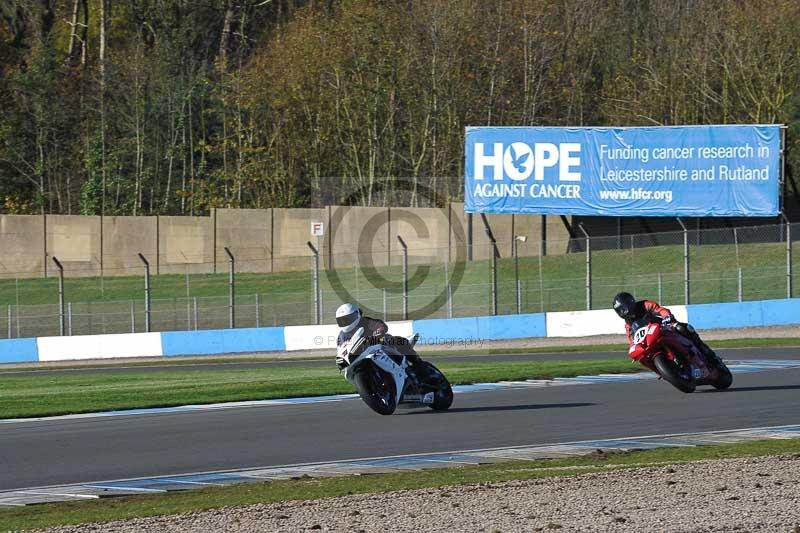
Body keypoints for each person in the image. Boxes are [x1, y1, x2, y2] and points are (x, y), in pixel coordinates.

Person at [611, 292, 720, 364]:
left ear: (630, 302)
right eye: (620, 310)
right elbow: (632, 340)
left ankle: (707, 352)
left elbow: (660, 309)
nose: (623, 312)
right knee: (643, 358)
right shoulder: (628, 324)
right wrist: (634, 349)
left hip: (664, 326)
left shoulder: (644, 305)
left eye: (624, 308)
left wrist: (666, 317)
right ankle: (668, 370)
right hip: (650, 339)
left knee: (683, 328)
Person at [334, 303, 423, 371]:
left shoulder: (366, 321)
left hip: (378, 346)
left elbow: (382, 326)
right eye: (341, 320)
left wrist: (375, 336)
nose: (345, 322)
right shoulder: (341, 335)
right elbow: (340, 349)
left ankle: (418, 363)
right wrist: (340, 359)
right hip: (361, 354)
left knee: (400, 341)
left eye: (347, 319)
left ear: (356, 314)